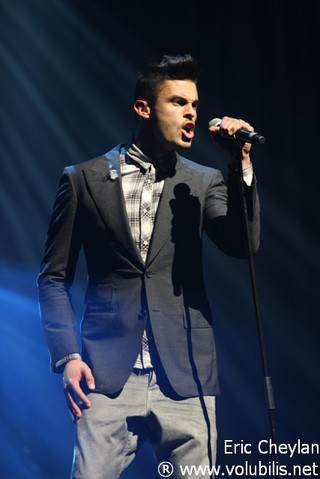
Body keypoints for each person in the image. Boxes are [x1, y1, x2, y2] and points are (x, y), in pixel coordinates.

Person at [38, 54, 260, 479]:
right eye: (178, 102)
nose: (192, 113)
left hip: (186, 375)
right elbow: (53, 277)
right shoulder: (83, 179)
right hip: (104, 376)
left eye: (194, 104)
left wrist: (241, 165)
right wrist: (67, 356)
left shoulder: (203, 180)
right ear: (144, 107)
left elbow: (243, 243)